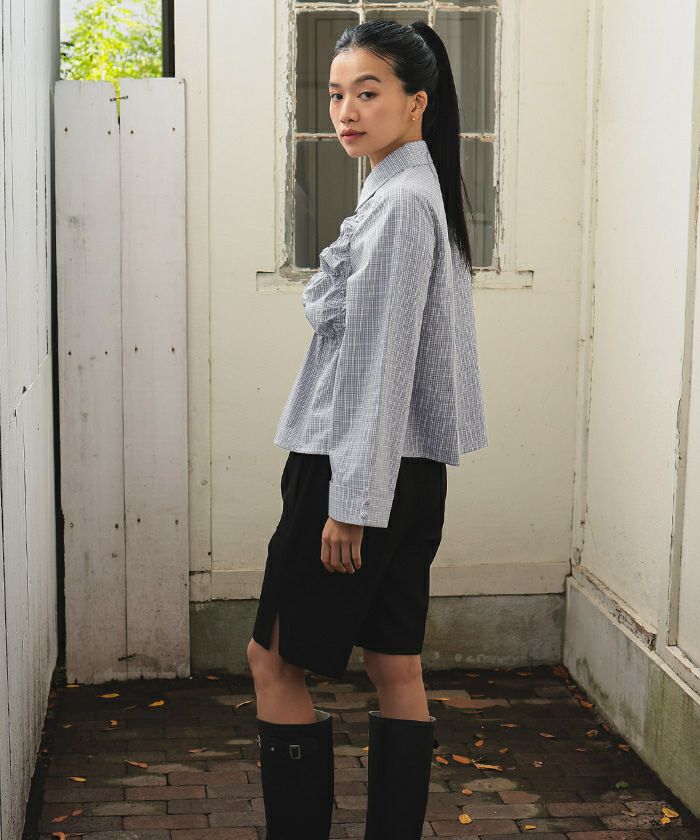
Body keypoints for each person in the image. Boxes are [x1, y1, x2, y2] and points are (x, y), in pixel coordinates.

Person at [246, 17, 489, 840]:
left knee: (273, 661)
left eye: (368, 92)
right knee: (394, 664)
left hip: (355, 468)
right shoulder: (414, 192)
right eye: (336, 94)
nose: (345, 111)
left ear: (417, 102)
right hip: (409, 470)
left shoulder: (400, 206)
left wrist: (350, 502)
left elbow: (376, 363)